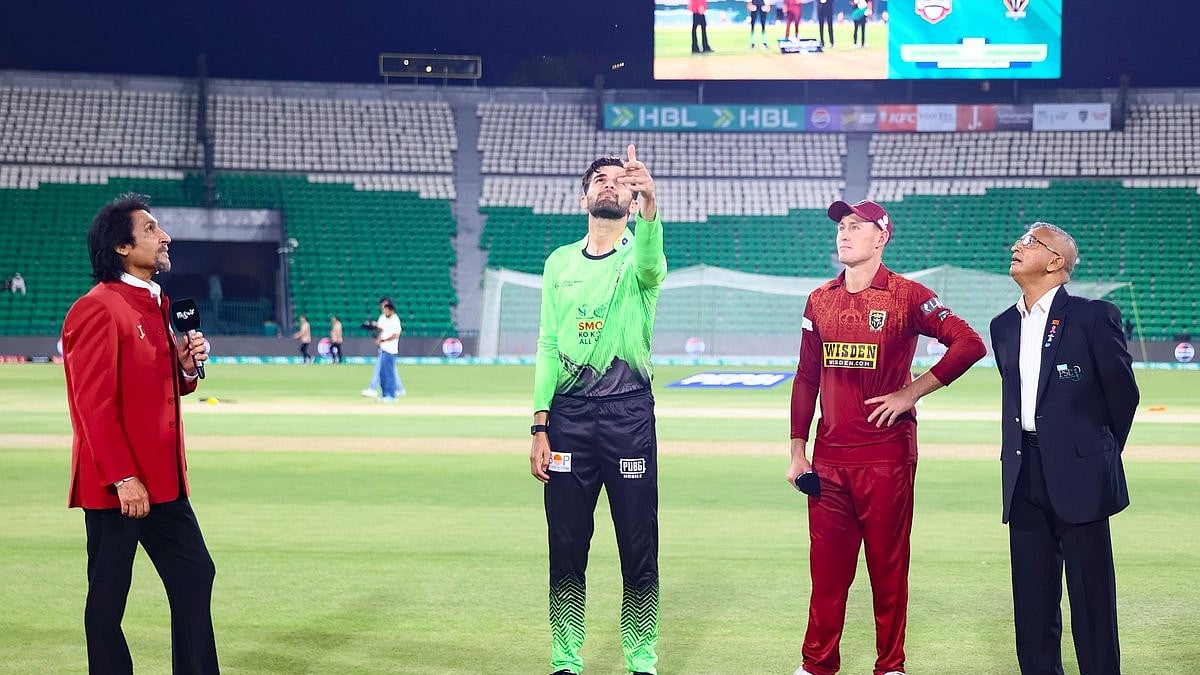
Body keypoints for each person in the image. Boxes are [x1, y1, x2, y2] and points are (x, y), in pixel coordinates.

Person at [787, 199, 986, 675]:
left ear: (882, 237)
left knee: (888, 568)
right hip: (829, 461)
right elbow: (805, 378)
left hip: (887, 458)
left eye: (857, 226)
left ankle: (890, 666)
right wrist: (798, 452)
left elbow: (970, 342)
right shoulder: (819, 299)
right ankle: (817, 665)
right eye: (841, 226)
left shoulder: (908, 295)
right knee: (828, 574)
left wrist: (910, 393)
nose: (844, 233)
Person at [61, 193, 217, 674]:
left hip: (164, 482)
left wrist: (186, 369)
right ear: (122, 247)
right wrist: (123, 476)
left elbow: (158, 391)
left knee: (195, 574)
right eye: (151, 229)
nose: (164, 236)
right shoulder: (98, 308)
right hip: (119, 485)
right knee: (108, 601)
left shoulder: (155, 304)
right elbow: (93, 403)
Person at [530, 144, 665, 675]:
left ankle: (641, 659)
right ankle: (566, 660)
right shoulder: (558, 263)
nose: (610, 185)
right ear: (584, 194)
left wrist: (651, 205)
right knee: (565, 541)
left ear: (631, 199)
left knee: (637, 538)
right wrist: (540, 423)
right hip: (568, 419)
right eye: (600, 179)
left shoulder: (639, 255)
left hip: (628, 416)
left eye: (620, 181)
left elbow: (653, 267)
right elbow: (546, 343)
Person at [990, 223, 1138, 675]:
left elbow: (1123, 396)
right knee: (1032, 598)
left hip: (1081, 474)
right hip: (1023, 473)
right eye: (1018, 239)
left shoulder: (1094, 316)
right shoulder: (1003, 326)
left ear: (1056, 262)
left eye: (1031, 241)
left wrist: (1096, 454)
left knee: (1091, 596)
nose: (1016, 245)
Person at [375, 300, 403, 402]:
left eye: (386, 310)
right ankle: (385, 394)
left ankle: (392, 395)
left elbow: (395, 335)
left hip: (391, 350)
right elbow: (381, 329)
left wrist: (383, 340)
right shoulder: (384, 319)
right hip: (383, 349)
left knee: (389, 373)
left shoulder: (395, 320)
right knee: (382, 373)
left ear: (391, 310)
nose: (385, 312)